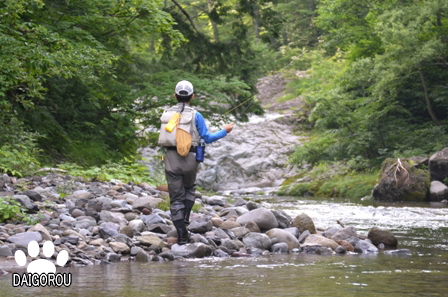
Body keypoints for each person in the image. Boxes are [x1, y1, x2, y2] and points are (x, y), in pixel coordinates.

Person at [158, 80, 234, 245]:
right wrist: (224, 131)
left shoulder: (166, 112)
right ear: (192, 96)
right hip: (191, 158)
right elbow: (207, 138)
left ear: (174, 96)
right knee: (189, 189)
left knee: (176, 197)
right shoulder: (196, 115)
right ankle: (185, 219)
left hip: (170, 157)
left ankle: (181, 234)